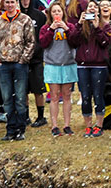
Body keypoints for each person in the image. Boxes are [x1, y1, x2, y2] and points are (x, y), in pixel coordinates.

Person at [0, 0, 35, 141]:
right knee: (7, 98)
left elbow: (31, 41)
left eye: (12, 2)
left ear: (16, 3)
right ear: (3, 4)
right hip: (4, 65)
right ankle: (10, 129)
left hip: (20, 64)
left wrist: (23, 59)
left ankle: (20, 129)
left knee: (21, 97)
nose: (10, 5)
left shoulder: (24, 19)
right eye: (7, 2)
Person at [69, 0, 111, 137]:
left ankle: (99, 125)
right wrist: (80, 24)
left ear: (98, 11)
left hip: (99, 65)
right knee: (86, 96)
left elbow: (105, 42)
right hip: (83, 65)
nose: (92, 9)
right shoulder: (81, 25)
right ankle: (88, 126)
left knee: (98, 95)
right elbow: (72, 41)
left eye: (94, 7)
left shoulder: (105, 25)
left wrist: (97, 27)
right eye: (89, 7)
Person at [40, 0, 77, 137]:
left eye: (59, 11)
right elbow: (43, 43)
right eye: (54, 11)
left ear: (63, 13)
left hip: (68, 64)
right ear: (50, 13)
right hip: (52, 64)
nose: (56, 14)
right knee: (54, 96)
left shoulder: (70, 26)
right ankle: (54, 125)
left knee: (67, 95)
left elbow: (75, 42)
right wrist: (51, 30)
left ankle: (67, 125)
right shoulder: (45, 28)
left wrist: (67, 30)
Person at [20, 0, 47, 129]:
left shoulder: (40, 16)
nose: (25, 2)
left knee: (38, 90)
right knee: (23, 90)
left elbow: (42, 37)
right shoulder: (16, 15)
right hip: (20, 60)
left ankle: (41, 116)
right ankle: (25, 116)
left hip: (36, 59)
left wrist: (36, 50)